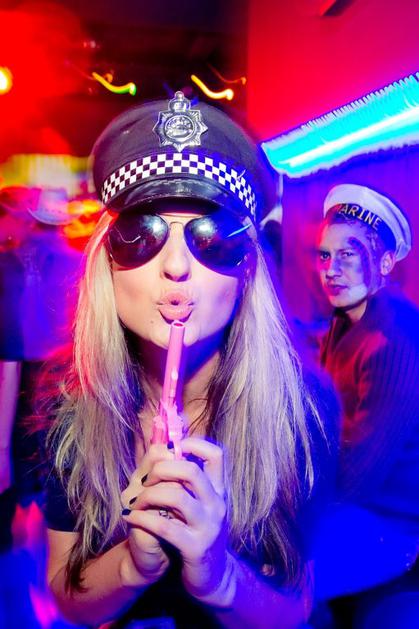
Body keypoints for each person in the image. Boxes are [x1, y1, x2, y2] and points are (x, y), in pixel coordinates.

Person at [42, 92, 335, 629]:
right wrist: (131, 566)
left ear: (246, 271)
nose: (176, 265)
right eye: (142, 235)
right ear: (107, 264)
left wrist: (220, 578)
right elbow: (68, 596)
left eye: (212, 237)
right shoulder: (71, 412)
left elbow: (293, 609)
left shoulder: (302, 410)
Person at [315, 183, 419, 628]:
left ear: (385, 263)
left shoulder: (394, 335)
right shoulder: (343, 324)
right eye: (324, 255)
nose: (331, 270)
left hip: (393, 525)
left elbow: (358, 476)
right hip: (354, 510)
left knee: (269, 578)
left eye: (348, 255)